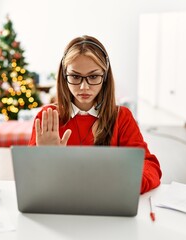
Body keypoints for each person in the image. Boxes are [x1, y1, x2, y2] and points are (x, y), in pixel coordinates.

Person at [29, 35, 162, 194]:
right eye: (75, 76)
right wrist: (46, 158)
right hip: (60, 203)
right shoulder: (48, 117)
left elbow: (149, 165)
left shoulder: (122, 117)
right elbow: (30, 177)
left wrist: (126, 182)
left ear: (105, 77)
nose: (84, 87)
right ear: (64, 77)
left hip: (108, 202)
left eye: (93, 76)